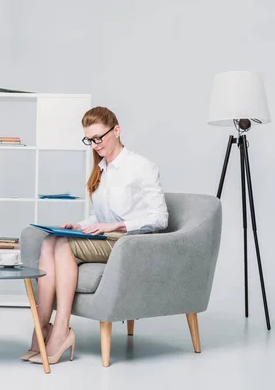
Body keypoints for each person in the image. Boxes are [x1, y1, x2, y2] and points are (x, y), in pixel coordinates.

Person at [22, 106, 169, 365]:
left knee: (63, 247)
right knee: (51, 241)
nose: (94, 145)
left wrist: (116, 226)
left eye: (98, 138)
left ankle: (61, 330)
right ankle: (41, 326)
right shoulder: (101, 169)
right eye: (89, 140)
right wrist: (79, 226)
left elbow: (160, 218)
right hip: (107, 238)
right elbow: (99, 216)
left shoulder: (141, 166)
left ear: (117, 130)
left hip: (128, 243)